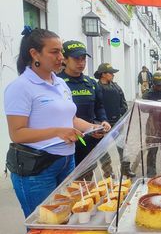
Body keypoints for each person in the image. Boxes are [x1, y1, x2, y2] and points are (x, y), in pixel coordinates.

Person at [4, 27, 102, 218]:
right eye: (54, 52)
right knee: (43, 224)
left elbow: (71, 119)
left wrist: (93, 127)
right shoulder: (20, 87)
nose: (61, 57)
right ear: (34, 54)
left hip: (67, 162)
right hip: (37, 169)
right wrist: (57, 132)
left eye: (62, 52)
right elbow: (17, 133)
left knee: (66, 218)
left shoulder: (59, 83)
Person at [57, 40, 111, 166]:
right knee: (68, 183)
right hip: (67, 142)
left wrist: (104, 121)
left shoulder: (91, 83)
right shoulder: (57, 83)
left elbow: (99, 107)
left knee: (86, 181)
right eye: (76, 59)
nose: (81, 63)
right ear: (64, 60)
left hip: (90, 139)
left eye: (83, 59)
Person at [94, 63, 136, 177]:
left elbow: (123, 102)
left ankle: (125, 169)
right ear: (103, 74)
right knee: (104, 152)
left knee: (123, 148)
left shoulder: (116, 86)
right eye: (110, 73)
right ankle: (108, 172)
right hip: (104, 125)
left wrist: (122, 115)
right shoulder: (96, 88)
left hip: (118, 123)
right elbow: (96, 106)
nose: (113, 75)